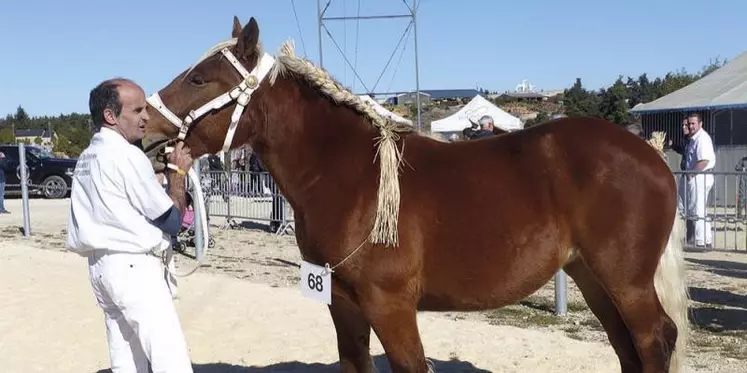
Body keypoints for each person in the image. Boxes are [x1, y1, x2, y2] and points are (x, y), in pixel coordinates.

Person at [66, 78, 195, 373]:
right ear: (110, 116)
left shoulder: (87, 156)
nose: (146, 117)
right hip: (134, 268)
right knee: (170, 359)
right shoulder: (126, 155)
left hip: (102, 269)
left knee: (126, 359)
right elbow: (172, 221)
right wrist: (177, 174)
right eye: (137, 111)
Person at [683, 112, 716, 248]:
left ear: (700, 124)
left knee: (698, 210)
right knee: (700, 209)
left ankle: (700, 241)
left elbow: (703, 160)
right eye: (689, 123)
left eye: (693, 123)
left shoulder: (702, 138)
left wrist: (691, 174)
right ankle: (705, 239)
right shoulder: (694, 138)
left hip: (700, 176)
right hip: (699, 176)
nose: (690, 126)